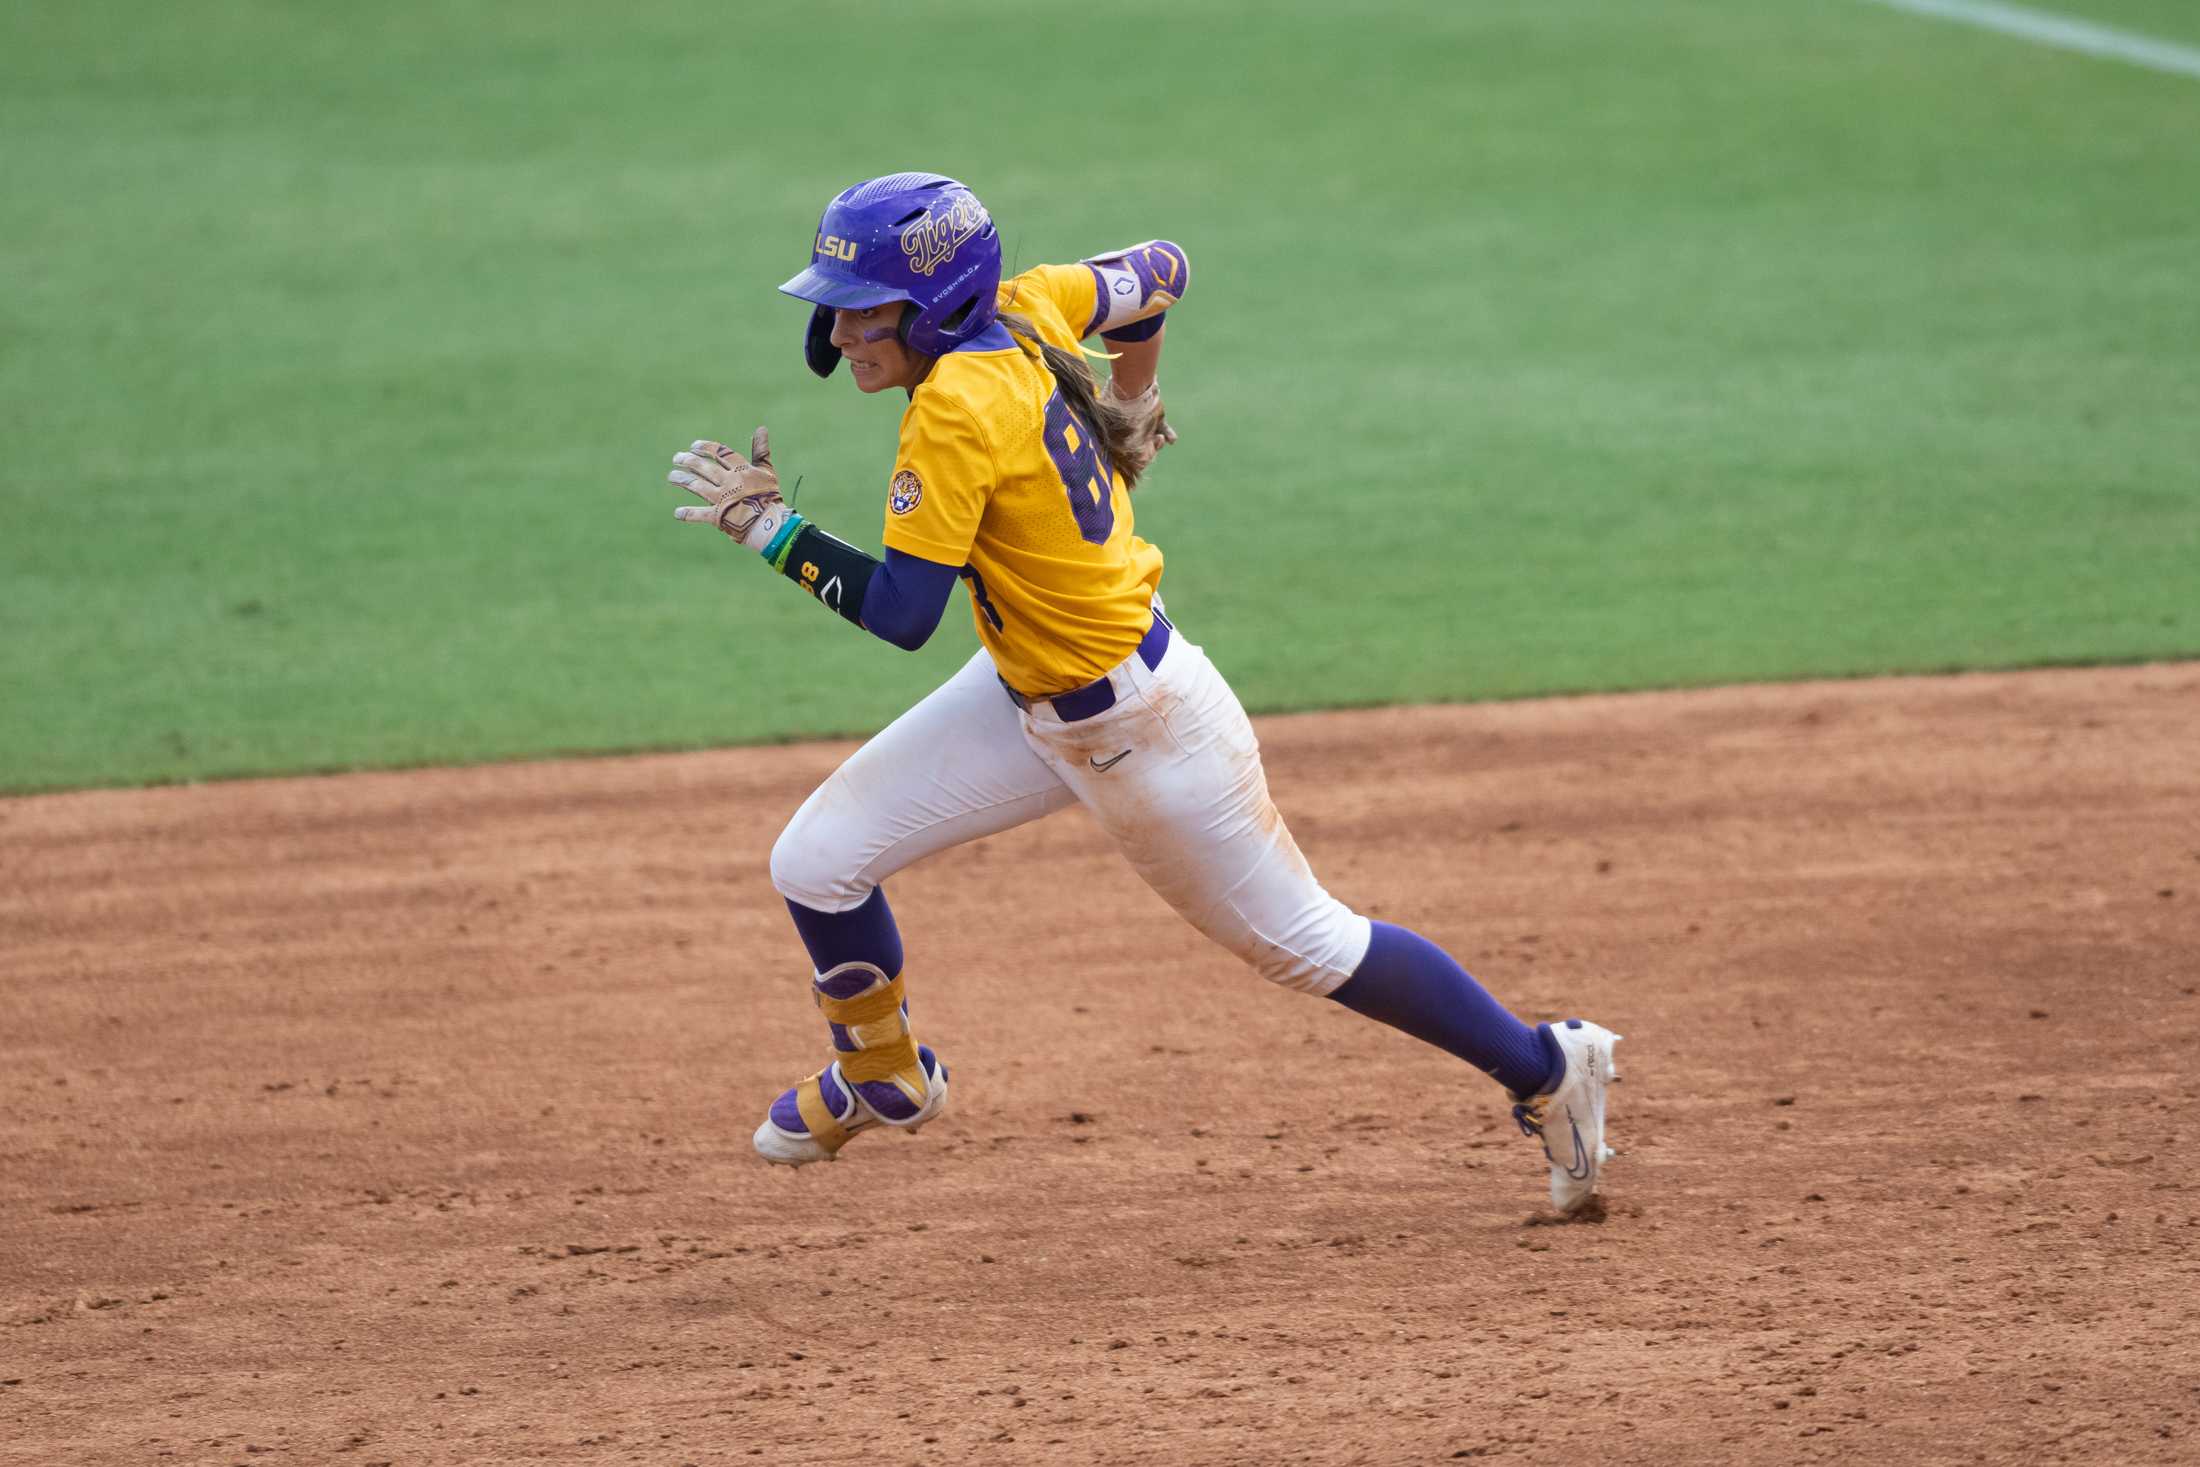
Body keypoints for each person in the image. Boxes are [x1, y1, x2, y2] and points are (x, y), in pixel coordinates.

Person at [662, 173, 1621, 1213]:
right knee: (815, 861)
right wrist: (1130, 400)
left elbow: (901, 616)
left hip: (1146, 731)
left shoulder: (950, 414)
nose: (840, 331)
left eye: (862, 306)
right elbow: (1160, 274)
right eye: (834, 307)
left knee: (1313, 945)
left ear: (933, 303)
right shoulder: (1031, 304)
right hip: (1025, 690)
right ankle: (884, 1076)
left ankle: (1545, 1067)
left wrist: (770, 530)